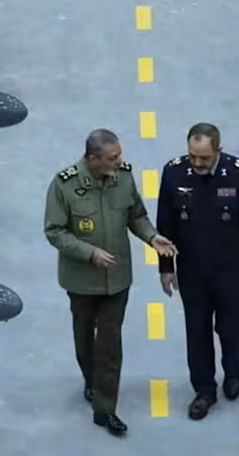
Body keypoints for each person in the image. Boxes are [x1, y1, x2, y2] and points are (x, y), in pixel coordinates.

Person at [45, 129, 176, 437]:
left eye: (120, 155)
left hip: (116, 280)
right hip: (81, 280)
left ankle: (105, 409)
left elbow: (136, 215)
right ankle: (92, 382)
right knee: (83, 338)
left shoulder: (124, 177)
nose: (120, 161)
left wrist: (151, 236)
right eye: (113, 157)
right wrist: (89, 253)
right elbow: (55, 231)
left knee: (109, 344)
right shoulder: (64, 185)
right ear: (93, 159)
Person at [155, 123, 239, 420]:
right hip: (192, 270)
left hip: (230, 270)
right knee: (197, 331)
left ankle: (232, 370)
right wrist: (166, 267)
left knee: (233, 328)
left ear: (219, 149)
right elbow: (165, 225)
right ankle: (204, 389)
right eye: (193, 156)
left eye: (204, 157)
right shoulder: (174, 172)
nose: (198, 163)